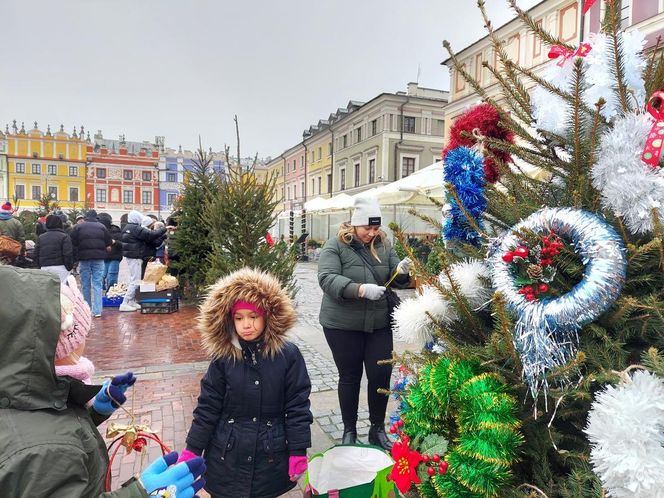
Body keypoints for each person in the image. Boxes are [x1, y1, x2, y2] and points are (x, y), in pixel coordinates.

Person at [0, 266, 206, 496]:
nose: (85, 341)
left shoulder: (24, 397)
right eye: (83, 335)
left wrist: (94, 411)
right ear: (61, 345)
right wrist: (138, 494)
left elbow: (52, 432)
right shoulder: (44, 450)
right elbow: (52, 447)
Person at [180, 267, 313, 498]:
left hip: (269, 457)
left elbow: (297, 405)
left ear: (267, 316)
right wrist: (193, 449)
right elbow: (208, 406)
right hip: (226, 456)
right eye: (239, 318)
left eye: (253, 317)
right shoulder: (224, 358)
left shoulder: (287, 355)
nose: (246, 325)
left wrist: (298, 450)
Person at [317, 197, 411, 450]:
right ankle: (349, 430)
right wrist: (359, 289)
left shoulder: (383, 244)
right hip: (342, 325)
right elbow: (327, 278)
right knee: (350, 376)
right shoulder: (335, 245)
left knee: (380, 375)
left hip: (378, 324)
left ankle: (376, 430)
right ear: (355, 225)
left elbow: (395, 276)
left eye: (375, 228)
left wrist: (403, 273)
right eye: (366, 228)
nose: (371, 233)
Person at [119, 210, 167, 312]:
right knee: (135, 281)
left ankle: (131, 301)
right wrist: (164, 229)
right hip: (135, 256)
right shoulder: (135, 228)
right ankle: (125, 303)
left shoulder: (128, 227)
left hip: (132, 256)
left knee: (134, 279)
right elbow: (150, 235)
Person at [70, 209, 112, 318]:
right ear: (96, 217)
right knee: (97, 284)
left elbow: (73, 242)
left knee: (85, 284)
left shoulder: (78, 227)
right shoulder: (102, 227)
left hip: (84, 258)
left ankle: (87, 309)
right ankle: (97, 311)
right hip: (99, 258)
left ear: (85, 217)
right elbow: (108, 242)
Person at [34, 213, 74, 282]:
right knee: (62, 290)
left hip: (45, 267)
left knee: (47, 290)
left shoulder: (41, 237)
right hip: (61, 267)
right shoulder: (64, 236)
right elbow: (68, 253)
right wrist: (69, 267)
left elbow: (36, 253)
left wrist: (40, 266)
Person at [98, 212, 123, 292]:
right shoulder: (98, 231)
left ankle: (111, 293)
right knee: (102, 277)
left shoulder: (116, 231)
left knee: (112, 276)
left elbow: (123, 245)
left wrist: (114, 242)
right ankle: (105, 292)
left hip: (114, 258)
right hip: (102, 258)